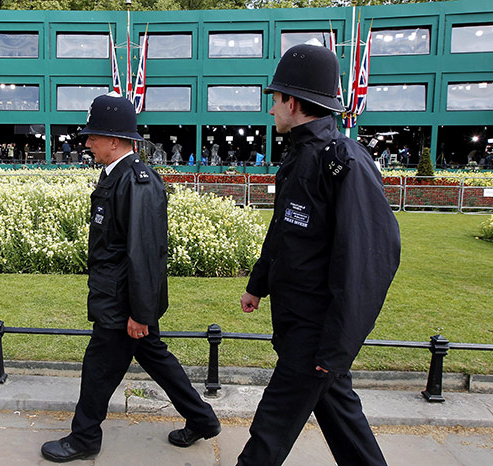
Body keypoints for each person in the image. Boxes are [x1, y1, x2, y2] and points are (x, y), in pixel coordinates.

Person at [237, 44, 400, 466]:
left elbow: (369, 263)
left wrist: (336, 349)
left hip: (318, 333)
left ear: (292, 102)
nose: (271, 109)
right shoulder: (300, 157)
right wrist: (258, 283)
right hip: (297, 323)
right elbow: (284, 233)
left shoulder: (344, 162)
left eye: (274, 100)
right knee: (341, 416)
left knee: (270, 429)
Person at [41, 92, 221, 463]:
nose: (87, 143)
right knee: (156, 359)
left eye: (93, 137)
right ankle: (203, 419)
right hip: (121, 296)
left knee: (98, 368)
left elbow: (144, 253)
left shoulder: (136, 181)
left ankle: (85, 436)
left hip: (123, 302)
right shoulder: (117, 176)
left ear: (114, 139)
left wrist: (140, 313)